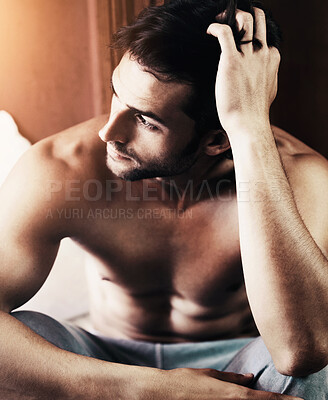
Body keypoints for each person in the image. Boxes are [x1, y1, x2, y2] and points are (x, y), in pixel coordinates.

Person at [0, 0, 327, 398]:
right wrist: (149, 389)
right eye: (117, 94)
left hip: (238, 367)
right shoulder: (62, 167)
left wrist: (249, 131)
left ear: (217, 140)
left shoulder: (302, 177)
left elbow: (302, 351)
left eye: (145, 120)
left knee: (319, 370)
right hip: (106, 360)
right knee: (28, 333)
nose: (108, 132)